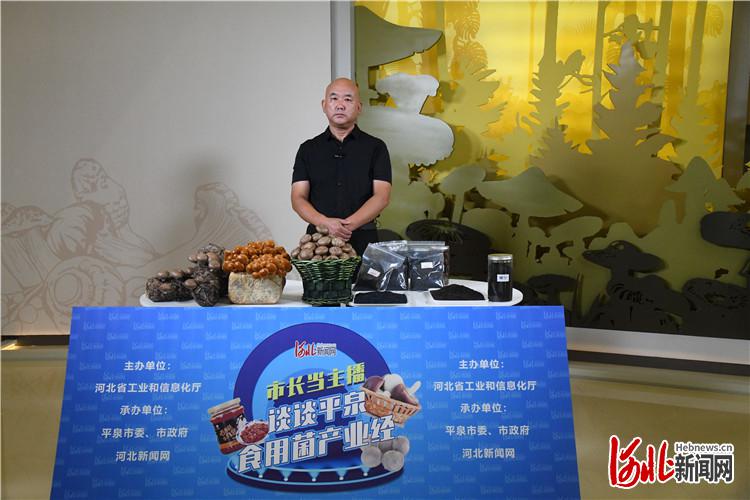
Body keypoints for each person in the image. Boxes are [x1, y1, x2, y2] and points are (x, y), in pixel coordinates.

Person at [291, 78, 392, 256]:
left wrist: (345, 227)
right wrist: (324, 223)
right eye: (334, 98)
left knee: (364, 276)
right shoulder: (308, 149)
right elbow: (298, 197)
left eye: (348, 99)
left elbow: (382, 196)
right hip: (317, 244)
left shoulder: (376, 147)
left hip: (364, 240)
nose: (340, 105)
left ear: (359, 107)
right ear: (324, 105)